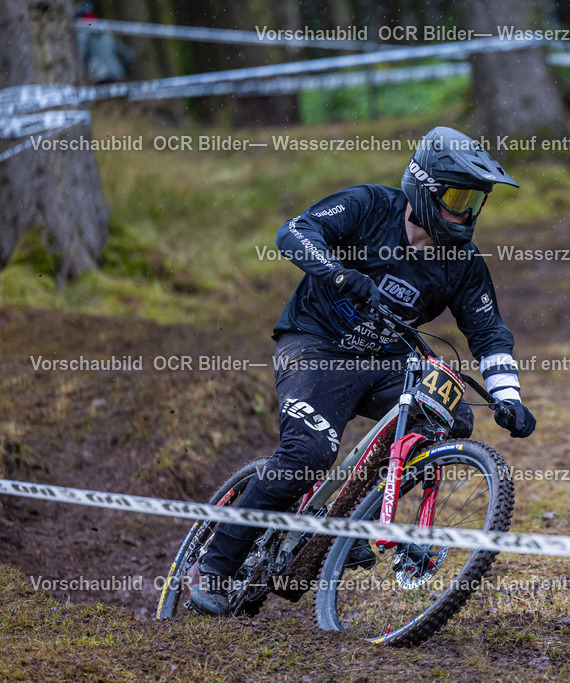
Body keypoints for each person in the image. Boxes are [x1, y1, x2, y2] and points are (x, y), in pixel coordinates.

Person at [188, 126, 537, 616]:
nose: (465, 213)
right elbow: (293, 232)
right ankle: (215, 566)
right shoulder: (369, 206)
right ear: (424, 187)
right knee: (308, 452)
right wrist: (337, 272)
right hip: (315, 345)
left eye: (474, 202)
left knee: (449, 418)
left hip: (385, 361)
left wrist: (508, 395)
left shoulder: (461, 261)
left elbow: (489, 332)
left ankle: (357, 513)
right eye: (457, 197)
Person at [75, 3, 134, 85]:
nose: (90, 22)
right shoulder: (106, 32)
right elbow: (128, 55)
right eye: (87, 18)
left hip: (101, 78)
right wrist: (121, 69)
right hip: (117, 76)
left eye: (91, 17)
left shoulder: (84, 36)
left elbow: (80, 57)